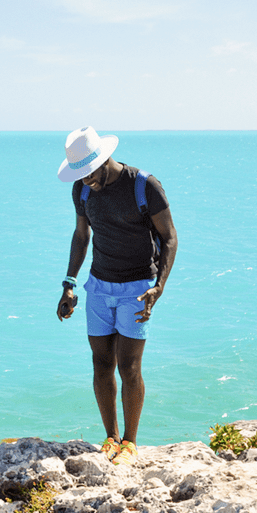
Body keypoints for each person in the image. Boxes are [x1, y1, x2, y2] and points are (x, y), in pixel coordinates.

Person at [55, 126, 177, 466]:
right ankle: (110, 437)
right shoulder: (82, 190)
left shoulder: (144, 186)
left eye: (89, 172)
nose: (86, 180)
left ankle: (130, 442)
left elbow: (169, 237)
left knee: (129, 366)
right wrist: (69, 283)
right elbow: (82, 235)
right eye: (80, 174)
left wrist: (159, 287)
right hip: (98, 287)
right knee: (101, 363)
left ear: (104, 159)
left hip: (137, 289)